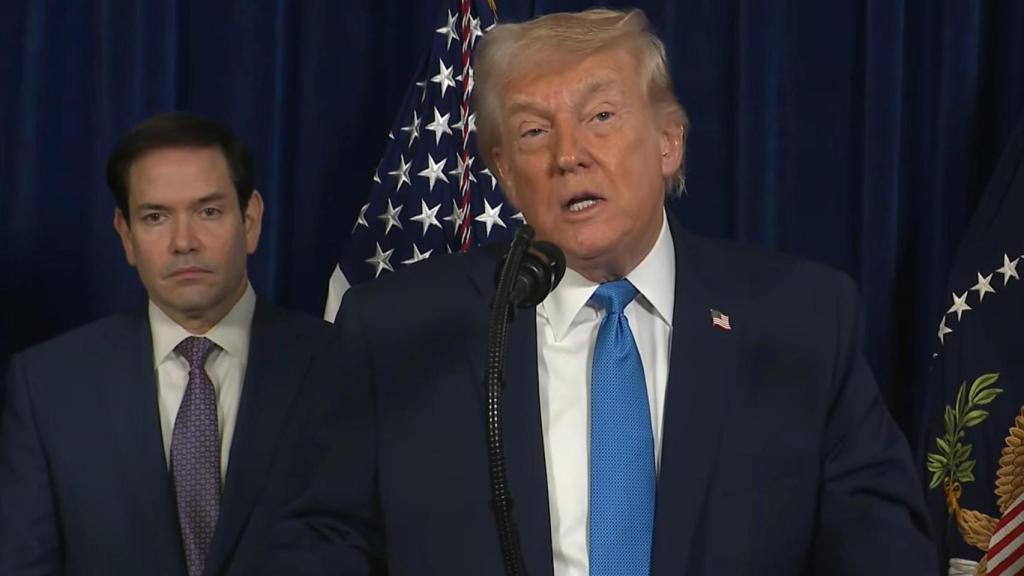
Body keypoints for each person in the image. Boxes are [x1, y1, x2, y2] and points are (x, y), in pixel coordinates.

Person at [268, 8, 935, 575]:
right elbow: (318, 542)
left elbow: (883, 547)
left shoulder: (802, 320)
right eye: (533, 131)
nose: (569, 154)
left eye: (602, 116)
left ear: (669, 142)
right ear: (502, 172)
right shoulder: (399, 330)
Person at [0, 112, 342, 576]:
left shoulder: (341, 364)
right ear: (126, 235)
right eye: (156, 216)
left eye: (208, 211)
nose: (184, 241)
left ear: (251, 219)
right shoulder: (47, 386)